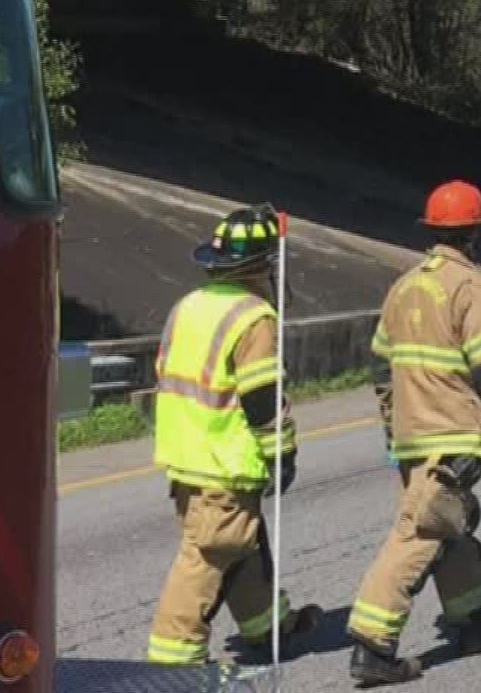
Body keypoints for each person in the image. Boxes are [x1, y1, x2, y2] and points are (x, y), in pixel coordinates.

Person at [347, 181, 481, 687]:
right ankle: (371, 645)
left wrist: (392, 426)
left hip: (412, 435)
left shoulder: (404, 286)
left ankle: (475, 620)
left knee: (449, 527)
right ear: (475, 232)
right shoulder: (470, 289)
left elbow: (381, 368)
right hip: (452, 434)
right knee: (421, 533)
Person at [147, 205, 322, 667]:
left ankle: (268, 626)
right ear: (264, 263)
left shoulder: (187, 306)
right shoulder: (253, 316)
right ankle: (174, 660)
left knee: (239, 541)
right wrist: (281, 452)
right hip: (224, 457)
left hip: (185, 452)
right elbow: (262, 396)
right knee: (208, 557)